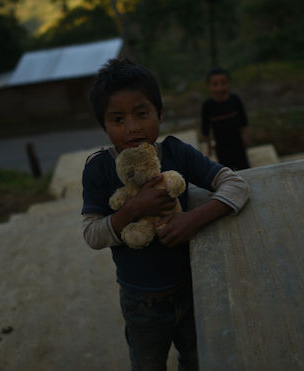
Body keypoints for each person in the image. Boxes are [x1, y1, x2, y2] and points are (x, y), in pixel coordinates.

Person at [82, 58, 250, 370]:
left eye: (142, 114)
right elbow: (92, 234)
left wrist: (193, 219)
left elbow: (235, 185)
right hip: (140, 302)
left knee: (199, 360)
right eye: (117, 119)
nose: (132, 127)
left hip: (193, 290)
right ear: (104, 125)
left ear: (160, 113)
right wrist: (132, 210)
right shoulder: (99, 169)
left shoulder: (177, 152)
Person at [200, 67, 250, 170]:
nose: (219, 88)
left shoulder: (235, 100)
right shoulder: (207, 106)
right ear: (209, 86)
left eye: (223, 83)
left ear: (229, 83)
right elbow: (205, 128)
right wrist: (209, 146)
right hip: (221, 148)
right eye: (215, 84)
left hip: (238, 144)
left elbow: (243, 121)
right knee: (228, 173)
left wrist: (245, 136)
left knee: (244, 169)